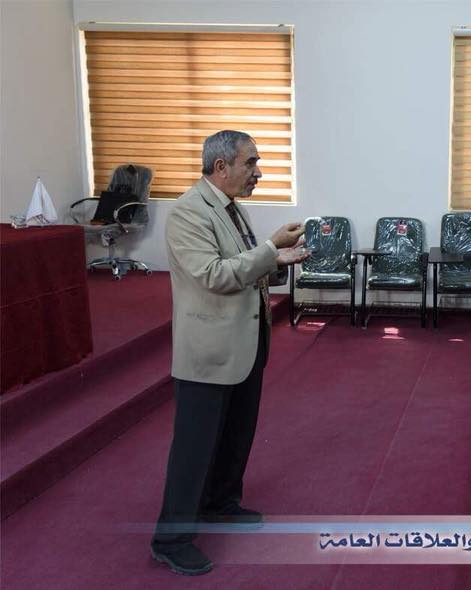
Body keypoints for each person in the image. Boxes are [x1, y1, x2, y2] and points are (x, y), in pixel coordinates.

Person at [150, 130, 310, 576]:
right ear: (220, 167)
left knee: (237, 434)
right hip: (209, 351)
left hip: (245, 342)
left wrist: (279, 260)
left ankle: (220, 502)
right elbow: (213, 275)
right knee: (194, 449)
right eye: (250, 163)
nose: (258, 172)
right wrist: (271, 251)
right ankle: (170, 539)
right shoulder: (188, 212)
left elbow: (245, 269)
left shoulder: (231, 208)